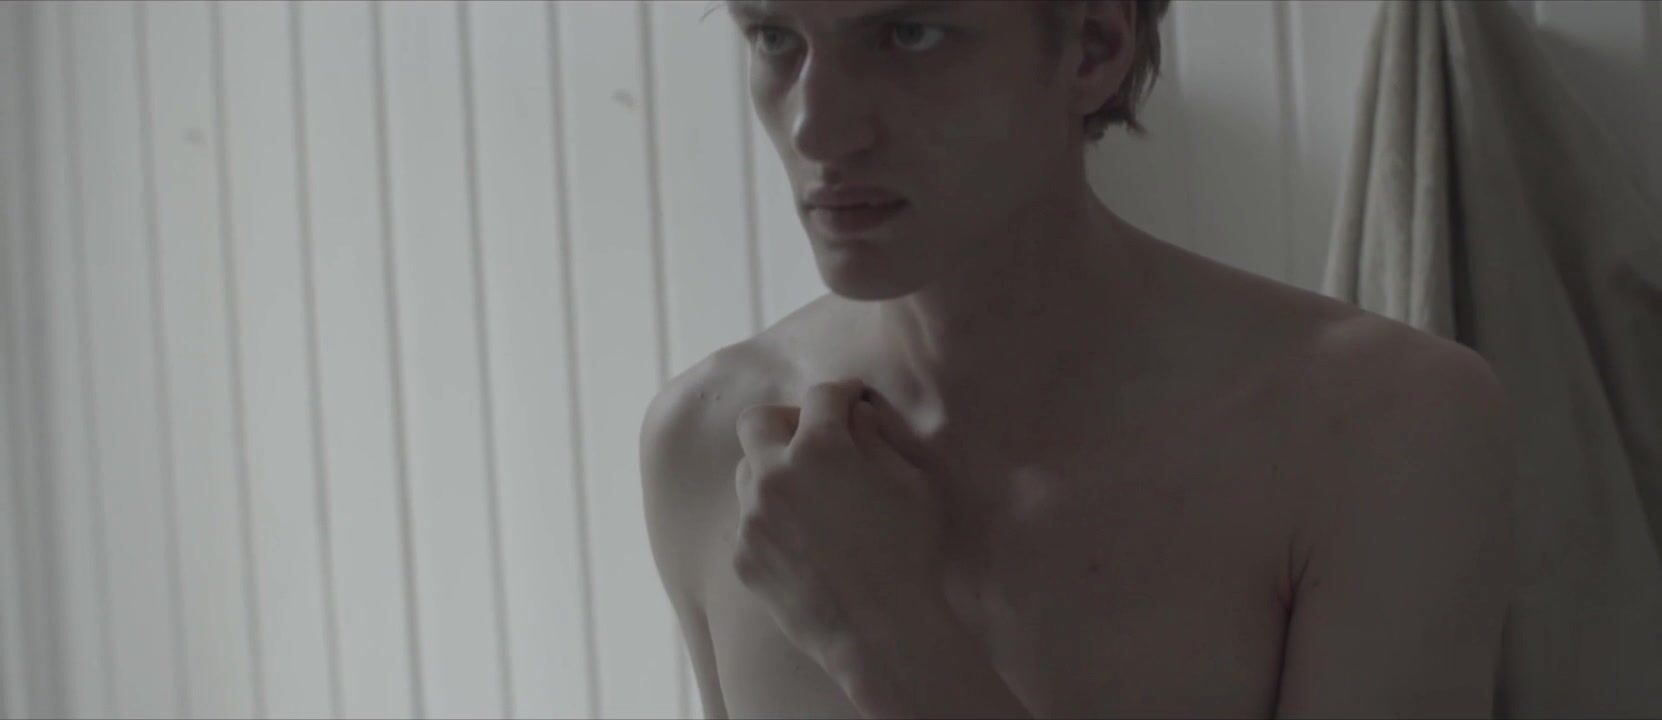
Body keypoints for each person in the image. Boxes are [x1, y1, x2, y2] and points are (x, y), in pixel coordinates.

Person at [640, 1, 1519, 717]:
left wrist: (886, 638)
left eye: (907, 33)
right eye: (774, 37)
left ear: (1093, 45)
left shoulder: (1377, 425)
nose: (818, 129)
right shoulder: (705, 440)